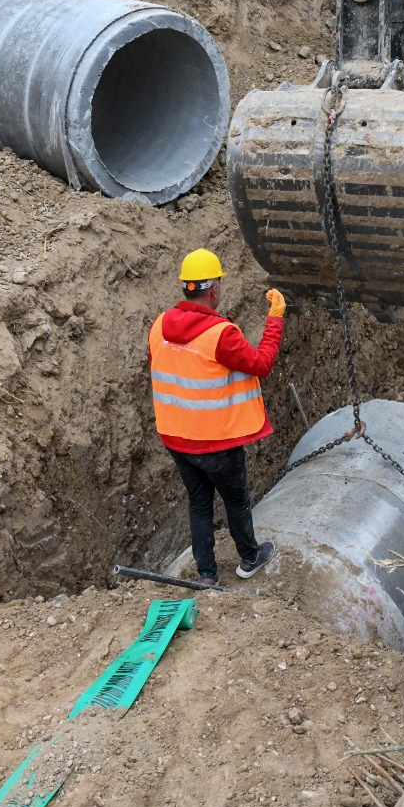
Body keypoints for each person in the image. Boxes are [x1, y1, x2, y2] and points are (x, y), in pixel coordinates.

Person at [149, 248, 284, 587]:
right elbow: (261, 364)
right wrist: (276, 317)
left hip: (176, 438)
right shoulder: (220, 334)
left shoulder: (160, 325)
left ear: (187, 288)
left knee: (199, 504)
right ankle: (250, 557)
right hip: (216, 442)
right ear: (212, 290)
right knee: (236, 501)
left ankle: (206, 574)